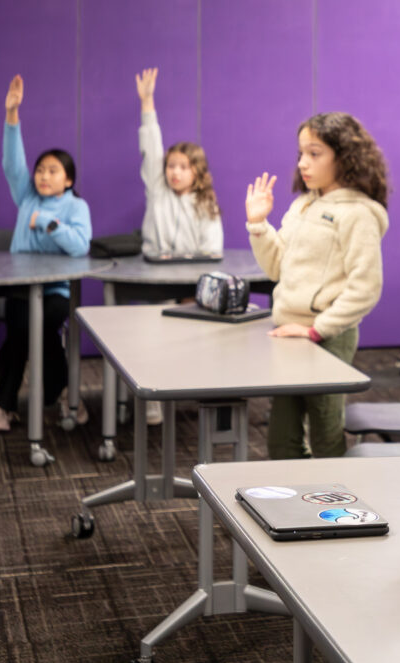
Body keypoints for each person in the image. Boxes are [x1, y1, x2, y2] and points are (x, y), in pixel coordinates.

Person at [244, 112, 389, 459]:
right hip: (289, 332)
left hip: (327, 336)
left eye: (314, 153)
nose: (303, 163)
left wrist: (317, 330)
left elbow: (366, 286)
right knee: (282, 439)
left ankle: (334, 506)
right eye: (301, 154)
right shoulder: (303, 204)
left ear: (344, 156)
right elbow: (277, 266)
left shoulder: (358, 212)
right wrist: (258, 225)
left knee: (326, 435)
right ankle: (291, 508)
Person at [0, 75, 92, 436]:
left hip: (57, 291)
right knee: (21, 330)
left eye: (53, 171)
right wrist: (12, 113)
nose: (44, 176)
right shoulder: (26, 196)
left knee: (43, 325)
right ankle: (12, 403)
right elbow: (11, 164)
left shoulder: (76, 207)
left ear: (68, 179)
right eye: (41, 170)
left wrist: (46, 222)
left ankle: (49, 395)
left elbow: (80, 246)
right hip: (19, 288)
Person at [136, 67, 224, 425]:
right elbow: (151, 145)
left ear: (196, 172)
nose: (173, 172)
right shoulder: (158, 193)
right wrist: (147, 104)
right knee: (152, 333)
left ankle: (211, 397)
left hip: (191, 286)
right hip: (156, 283)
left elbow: (213, 252)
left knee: (205, 329)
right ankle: (153, 396)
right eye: (170, 166)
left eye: (182, 167)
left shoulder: (207, 205)